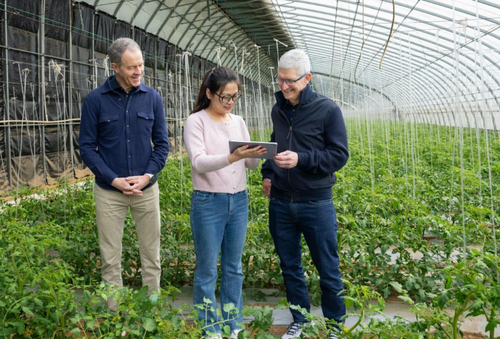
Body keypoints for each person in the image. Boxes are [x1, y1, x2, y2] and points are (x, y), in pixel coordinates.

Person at [261, 49, 349, 339]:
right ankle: (300, 320)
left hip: (316, 201)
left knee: (327, 266)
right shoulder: (278, 109)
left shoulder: (328, 110)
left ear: (307, 78)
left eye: (290, 81)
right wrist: (267, 172)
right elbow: (274, 143)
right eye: (280, 80)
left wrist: (302, 159)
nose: (284, 86)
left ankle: (335, 325)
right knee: (290, 266)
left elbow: (338, 155)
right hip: (281, 202)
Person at [79, 37, 169, 311]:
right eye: (131, 67)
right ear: (115, 66)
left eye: (140, 65)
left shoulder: (152, 98)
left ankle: (152, 312)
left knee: (151, 255)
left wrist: (148, 175)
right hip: (110, 193)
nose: (138, 71)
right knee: (110, 257)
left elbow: (163, 145)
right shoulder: (96, 100)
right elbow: (87, 147)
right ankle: (113, 314)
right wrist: (112, 179)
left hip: (145, 190)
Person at [184, 67, 266, 339]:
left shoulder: (238, 121)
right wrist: (233, 156)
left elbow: (250, 165)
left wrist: (256, 153)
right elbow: (199, 162)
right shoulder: (196, 121)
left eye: (234, 97)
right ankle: (210, 327)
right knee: (207, 268)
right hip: (209, 202)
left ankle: (234, 324)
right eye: (224, 97)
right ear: (209, 93)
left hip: (238, 200)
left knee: (234, 267)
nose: (229, 103)